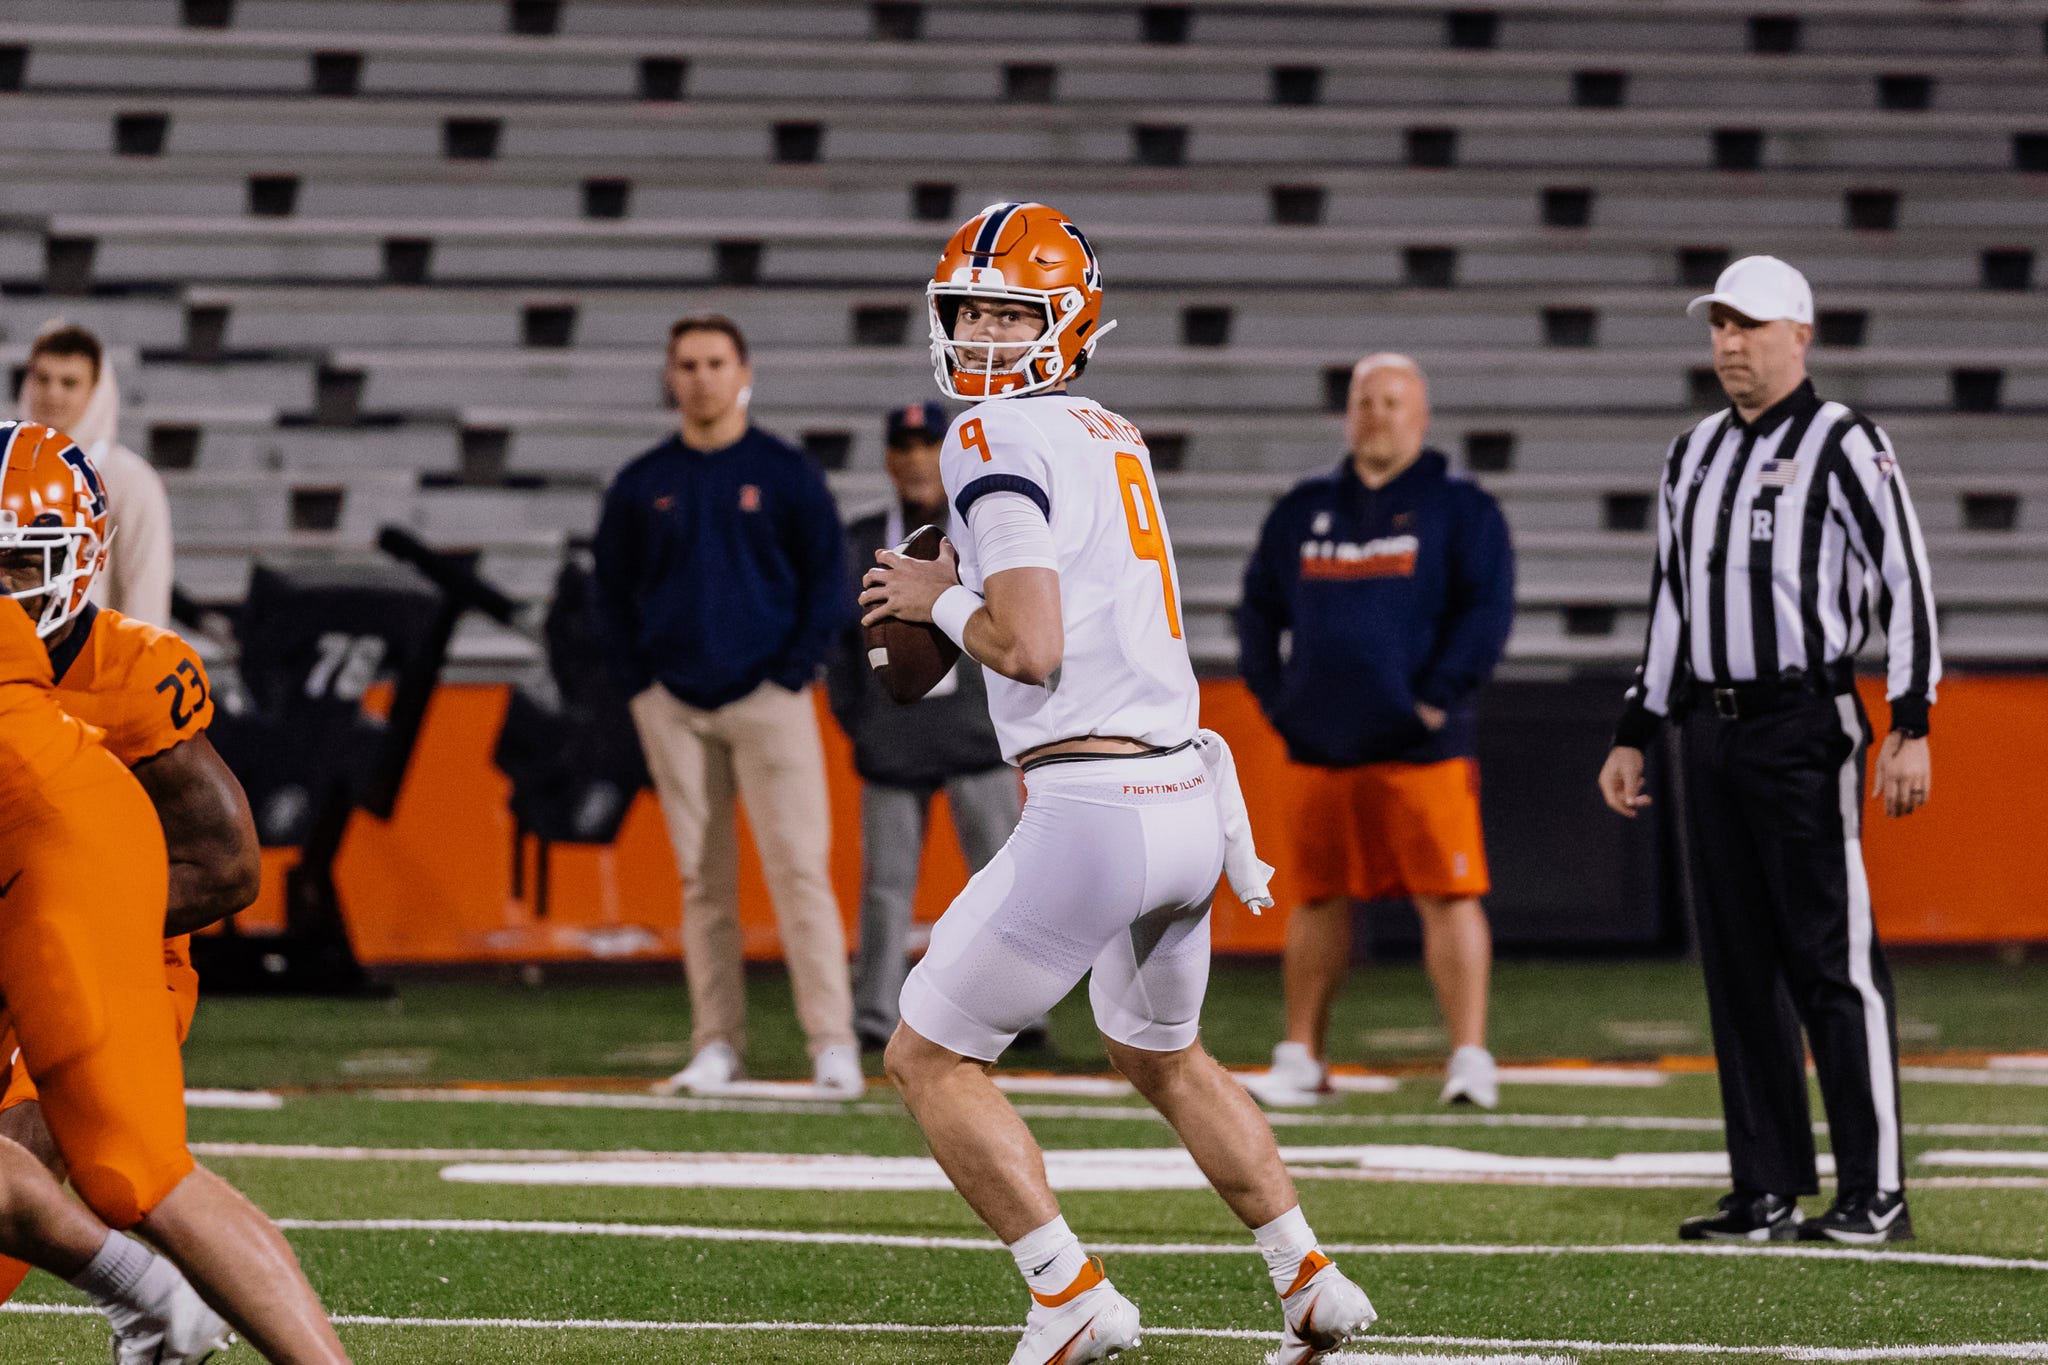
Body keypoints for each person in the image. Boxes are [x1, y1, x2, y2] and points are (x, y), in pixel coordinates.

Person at [860, 201, 1376, 1365]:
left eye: (1012, 313)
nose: (986, 337)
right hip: (1181, 795)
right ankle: (1305, 1273)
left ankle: (1067, 1292)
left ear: (1069, 321)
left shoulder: (987, 440)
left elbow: (1031, 647)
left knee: (926, 1058)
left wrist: (929, 599)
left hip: (1092, 807)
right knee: (1163, 1055)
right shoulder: (1109, 431)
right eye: (972, 311)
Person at [1597, 256, 1939, 1245]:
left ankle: (1873, 1192)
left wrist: (1910, 723)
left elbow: (1903, 584)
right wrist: (1636, 728)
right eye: (1717, 326)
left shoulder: (1844, 443)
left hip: (1801, 723)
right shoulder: (1690, 452)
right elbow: (1672, 600)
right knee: (1736, 967)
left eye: (1747, 325)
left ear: (1800, 334)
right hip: (1707, 728)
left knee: (1830, 963)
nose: (1727, 343)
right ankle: (1766, 1190)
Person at [0, 421, 350, 1361]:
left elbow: (229, 866)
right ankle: (149, 1304)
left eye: (15, 566)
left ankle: (155, 1300)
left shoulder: (134, 671)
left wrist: (64, 920)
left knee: (117, 1169)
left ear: (81, 557)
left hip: (104, 948)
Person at [591, 315, 862, 1099]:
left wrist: (792, 672)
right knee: (700, 880)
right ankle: (716, 1043)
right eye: (687, 363)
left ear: (744, 370)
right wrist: (641, 680)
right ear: (669, 376)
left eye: (715, 361)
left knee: (799, 870)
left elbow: (828, 580)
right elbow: (606, 592)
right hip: (673, 702)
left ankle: (831, 1042)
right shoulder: (643, 482)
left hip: (770, 699)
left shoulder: (785, 473)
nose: (701, 376)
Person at [1238, 355, 1515, 1109]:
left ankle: (1469, 1056)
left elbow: (1487, 614)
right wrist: (1277, 698)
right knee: (1317, 897)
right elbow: (1257, 610)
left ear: (1421, 415)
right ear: (1347, 413)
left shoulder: (1461, 508)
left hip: (1421, 745)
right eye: (1365, 401)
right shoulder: (1303, 509)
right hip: (1319, 744)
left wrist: (1435, 697)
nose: (1377, 414)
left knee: (1450, 895)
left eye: (1393, 402)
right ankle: (1301, 1053)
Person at [825, 400, 1029, 1054]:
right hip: (894, 735)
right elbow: (838, 644)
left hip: (977, 732)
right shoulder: (861, 539)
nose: (915, 458)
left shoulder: (983, 534)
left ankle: (1016, 1011)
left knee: (1005, 882)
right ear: (888, 458)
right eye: (903, 446)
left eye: (926, 445)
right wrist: (861, 719)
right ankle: (876, 1013)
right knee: (885, 888)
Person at [18, 324, 175, 625]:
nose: (52, 393)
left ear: (96, 391)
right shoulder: (6, 468)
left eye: (69, 382)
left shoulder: (130, 480)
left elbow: (146, 590)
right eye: (43, 379)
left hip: (91, 663)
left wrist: (137, 667)